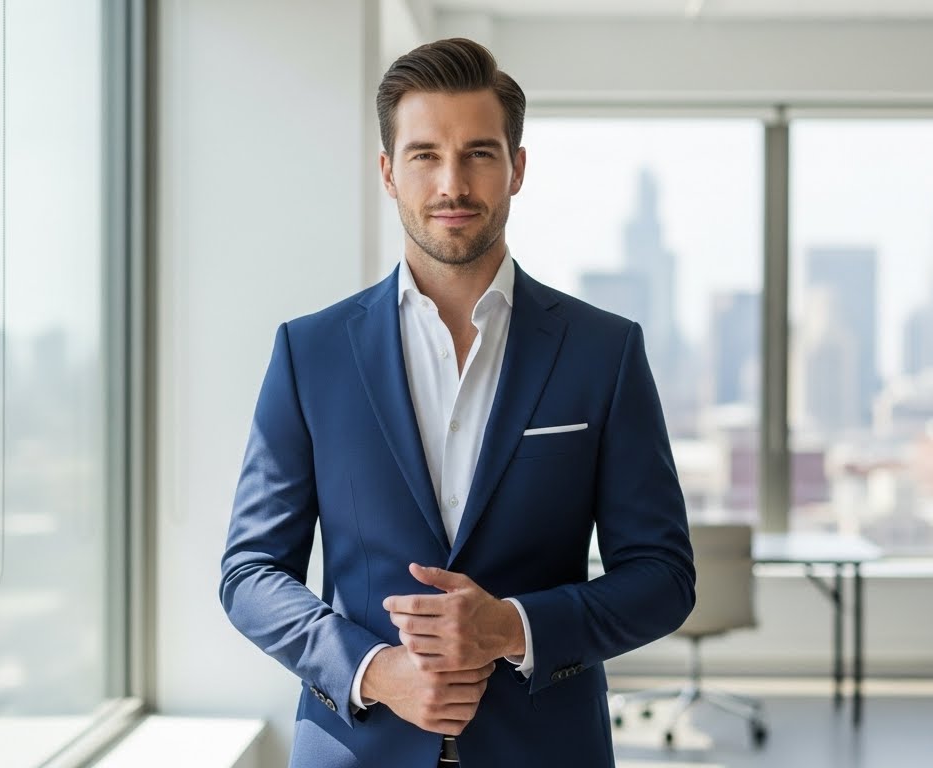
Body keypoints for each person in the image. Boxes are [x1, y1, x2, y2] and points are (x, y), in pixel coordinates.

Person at [220, 37, 694, 768]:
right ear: (387, 173)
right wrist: (373, 671)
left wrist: (510, 627)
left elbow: (662, 577)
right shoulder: (308, 353)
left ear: (516, 169)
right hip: (358, 748)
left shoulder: (603, 351)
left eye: (478, 153)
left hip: (545, 749)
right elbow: (250, 571)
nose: (452, 183)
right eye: (423, 155)